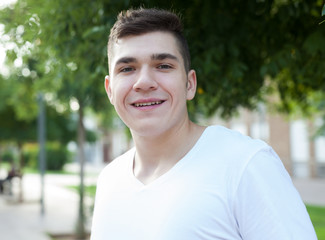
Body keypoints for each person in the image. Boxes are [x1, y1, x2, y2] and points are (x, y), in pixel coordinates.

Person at [91, 8, 317, 240]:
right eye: (127, 69)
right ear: (110, 89)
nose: (144, 82)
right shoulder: (109, 180)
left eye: (163, 66)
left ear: (189, 84)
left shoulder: (246, 165)